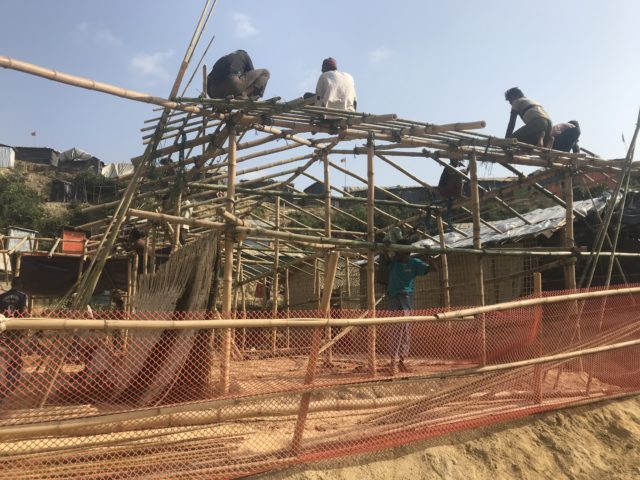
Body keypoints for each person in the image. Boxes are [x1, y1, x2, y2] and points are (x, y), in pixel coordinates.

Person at [382, 240, 432, 375]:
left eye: (399, 253)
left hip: (406, 297)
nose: (397, 255)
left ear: (405, 254)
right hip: (394, 297)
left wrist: (429, 255)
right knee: (394, 328)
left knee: (405, 328)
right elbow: (386, 257)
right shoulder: (394, 262)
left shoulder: (414, 263)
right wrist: (385, 247)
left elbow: (430, 269)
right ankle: (393, 361)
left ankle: (401, 361)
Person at [0, 277, 28, 403]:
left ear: (12, 284)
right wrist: (25, 330)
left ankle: (4, 384)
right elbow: (25, 313)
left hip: (4, 331)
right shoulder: (23, 296)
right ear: (21, 285)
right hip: (16, 332)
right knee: (15, 361)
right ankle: (8, 387)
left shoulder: (2, 296)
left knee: (3, 358)